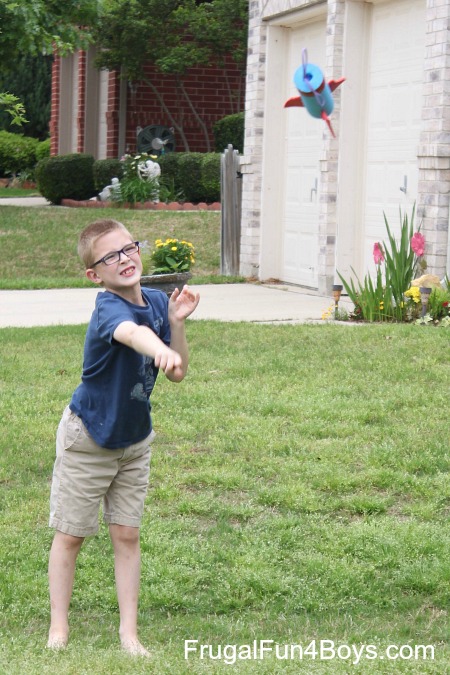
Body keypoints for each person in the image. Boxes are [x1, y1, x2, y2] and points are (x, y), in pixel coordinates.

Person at [47, 218, 200, 656]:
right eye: (110, 256)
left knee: (127, 535)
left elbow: (178, 373)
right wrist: (159, 346)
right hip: (88, 438)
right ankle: (59, 628)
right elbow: (131, 335)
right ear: (95, 274)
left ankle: (128, 633)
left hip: (134, 441)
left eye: (128, 248)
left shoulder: (156, 302)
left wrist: (177, 326)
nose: (125, 258)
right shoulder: (108, 308)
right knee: (71, 534)